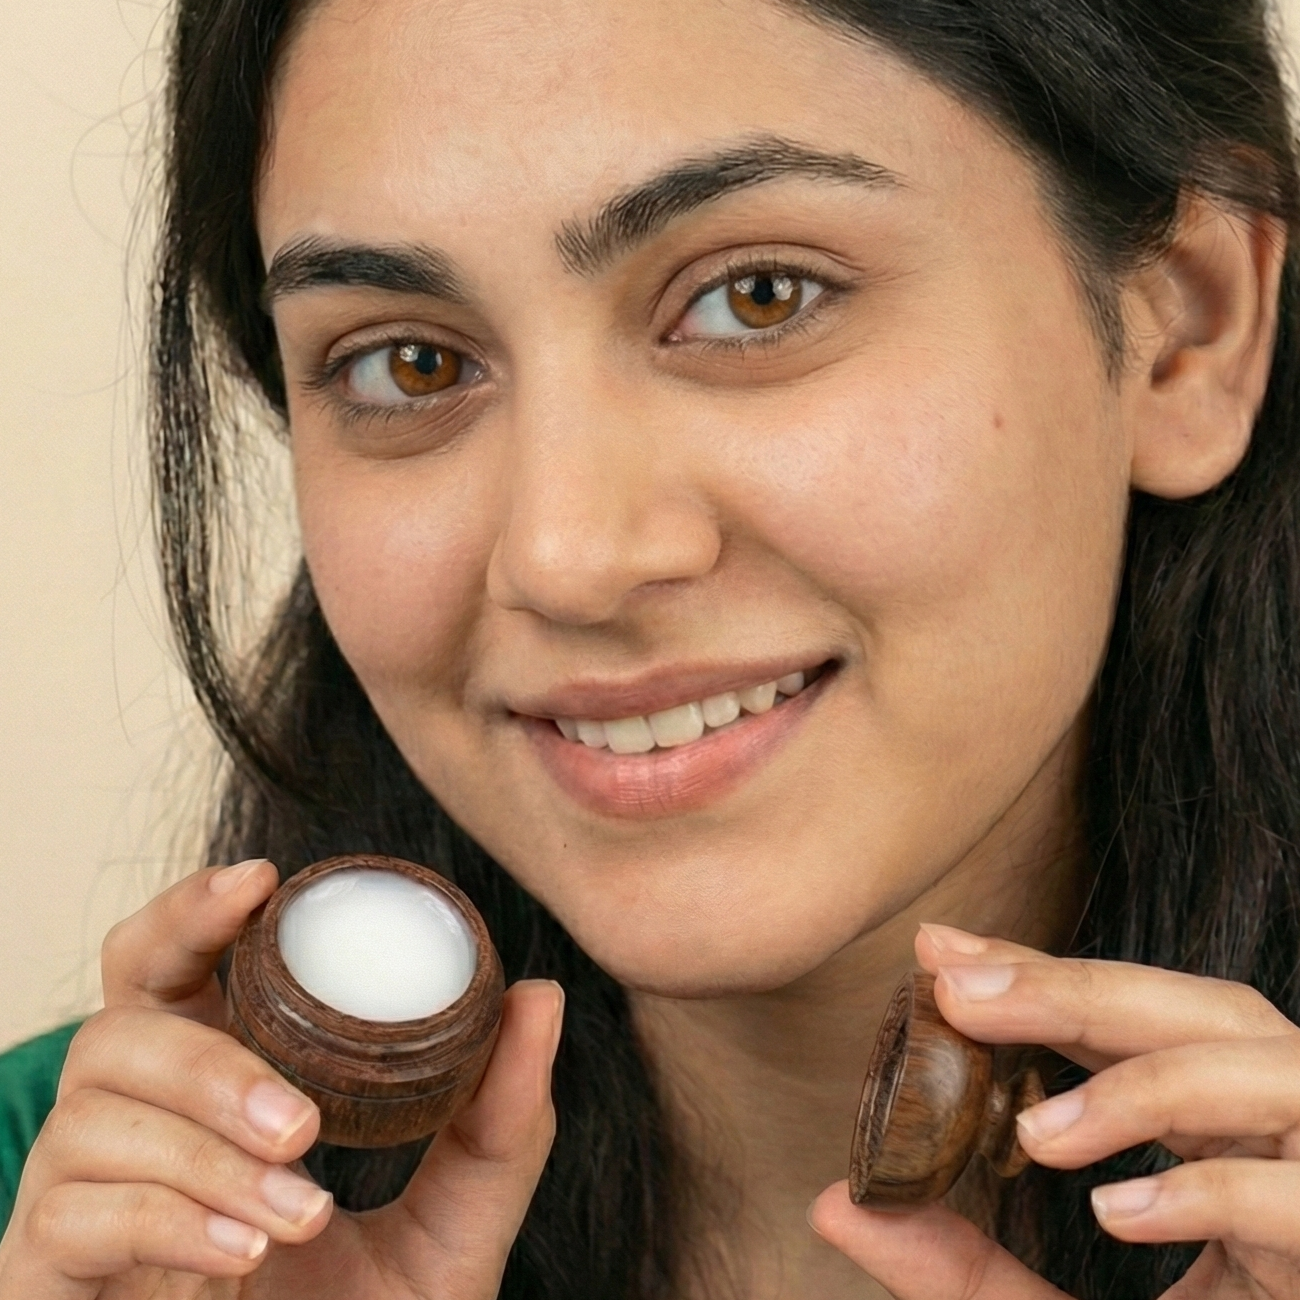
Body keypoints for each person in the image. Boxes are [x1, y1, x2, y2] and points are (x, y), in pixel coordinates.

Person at [1, 0, 1298, 1294]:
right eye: (407, 364)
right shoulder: (63, 1214)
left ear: (1188, 328)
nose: (567, 555)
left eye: (756, 296)